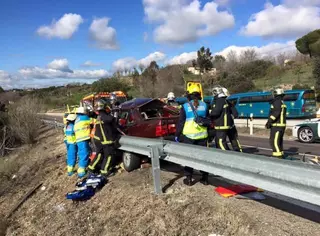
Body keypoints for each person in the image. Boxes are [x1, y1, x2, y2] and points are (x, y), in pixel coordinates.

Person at [175, 87, 209, 186]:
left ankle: (189, 179)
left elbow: (181, 122)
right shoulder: (205, 105)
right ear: (199, 94)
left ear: (189, 95)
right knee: (203, 158)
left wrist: (177, 134)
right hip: (202, 136)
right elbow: (208, 119)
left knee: (189, 157)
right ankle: (205, 178)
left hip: (188, 136)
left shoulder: (185, 106)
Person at [88, 100, 121, 177]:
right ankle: (104, 171)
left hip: (98, 139)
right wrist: (115, 114)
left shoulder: (99, 116)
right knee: (109, 155)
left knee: (99, 155)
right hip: (106, 140)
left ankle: (91, 169)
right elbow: (112, 121)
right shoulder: (104, 116)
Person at [265, 88, 287, 158]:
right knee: (279, 142)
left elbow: (276, 113)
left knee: (274, 142)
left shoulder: (277, 102)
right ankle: (281, 154)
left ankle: (277, 157)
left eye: (274, 94)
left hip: (277, 126)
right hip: (280, 126)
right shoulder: (281, 102)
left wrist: (269, 122)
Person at [210, 86, 233, 150]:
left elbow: (216, 112)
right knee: (218, 141)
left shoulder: (220, 100)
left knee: (220, 142)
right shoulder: (224, 100)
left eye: (215, 92)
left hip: (221, 125)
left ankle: (226, 157)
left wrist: (210, 114)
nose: (214, 94)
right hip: (223, 124)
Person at [222, 87, 242, 152]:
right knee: (234, 139)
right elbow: (236, 114)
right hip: (231, 125)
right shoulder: (229, 103)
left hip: (222, 125)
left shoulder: (218, 103)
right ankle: (239, 152)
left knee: (222, 140)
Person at [74, 106, 91, 178]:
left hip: (78, 139)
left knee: (81, 154)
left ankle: (81, 167)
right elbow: (93, 121)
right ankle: (81, 172)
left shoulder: (77, 119)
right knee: (85, 153)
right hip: (83, 139)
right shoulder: (84, 117)